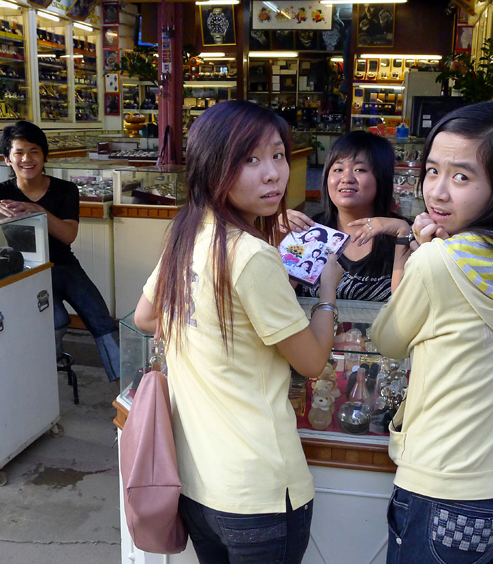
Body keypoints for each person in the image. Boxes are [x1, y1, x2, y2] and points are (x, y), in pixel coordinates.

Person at [133, 100, 342, 564]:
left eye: (277, 155)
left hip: (197, 483)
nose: (272, 174)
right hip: (259, 492)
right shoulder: (252, 258)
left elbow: (146, 317)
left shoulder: (186, 232)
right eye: (249, 160)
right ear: (214, 166)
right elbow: (311, 363)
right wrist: (327, 292)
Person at [370, 101, 493, 564]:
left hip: (446, 495)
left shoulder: (439, 261)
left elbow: (387, 340)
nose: (437, 191)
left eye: (461, 177)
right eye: (432, 170)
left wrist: (416, 251)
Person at [0, 121, 120, 383]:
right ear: (7, 159)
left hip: (65, 267)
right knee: (55, 321)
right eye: (19, 152)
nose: (27, 159)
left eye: (34, 151)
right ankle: (42, 380)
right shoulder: (1, 192)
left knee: (102, 321)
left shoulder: (64, 189)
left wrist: (40, 211)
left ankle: (128, 392)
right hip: (27, 271)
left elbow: (68, 234)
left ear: (45, 155)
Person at [283, 130, 412, 301]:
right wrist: (281, 243)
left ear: (382, 177)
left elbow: (408, 308)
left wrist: (403, 237)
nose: (346, 178)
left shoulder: (406, 233)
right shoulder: (310, 231)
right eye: (337, 169)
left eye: (360, 169)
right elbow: (281, 299)